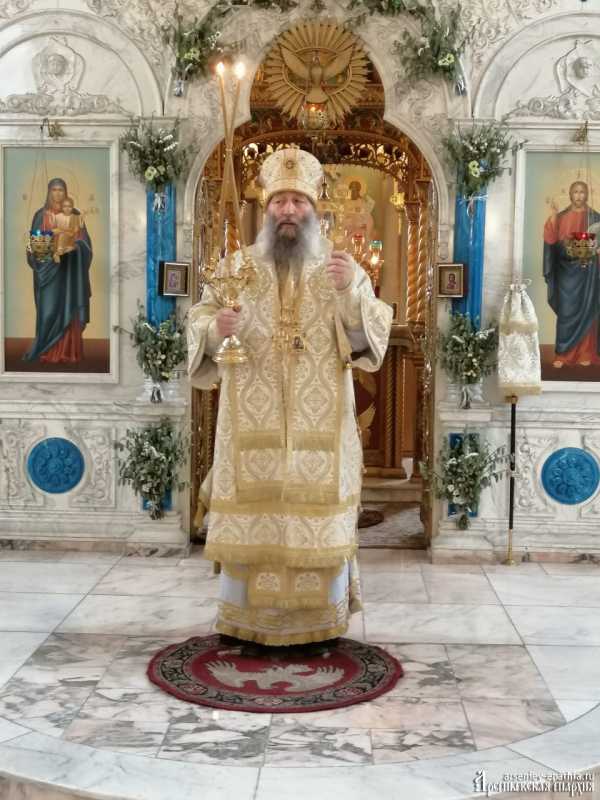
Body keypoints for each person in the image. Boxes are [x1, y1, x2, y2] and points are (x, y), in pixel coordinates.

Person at [188, 148, 393, 646]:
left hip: (320, 429)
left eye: (297, 201)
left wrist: (349, 293)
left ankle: (318, 624)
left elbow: (369, 343)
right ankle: (245, 622)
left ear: (313, 209)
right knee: (255, 512)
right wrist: (216, 328)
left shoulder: (342, 267)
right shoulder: (236, 267)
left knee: (316, 514)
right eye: (278, 200)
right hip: (250, 424)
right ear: (266, 208)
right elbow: (199, 321)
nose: (287, 210)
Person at [25, 178, 92, 364]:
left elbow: (85, 243)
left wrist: (76, 246)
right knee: (48, 313)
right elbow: (33, 248)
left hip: (70, 274)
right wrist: (50, 250)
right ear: (49, 192)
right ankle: (45, 351)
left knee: (70, 311)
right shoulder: (41, 215)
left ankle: (69, 352)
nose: (57, 193)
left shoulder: (75, 214)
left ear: (66, 192)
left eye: (61, 190)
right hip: (49, 274)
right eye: (54, 190)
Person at [543, 180, 600, 369]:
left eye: (582, 192)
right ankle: (563, 354)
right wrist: (552, 219)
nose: (579, 195)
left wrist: (596, 250)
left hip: (589, 274)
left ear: (587, 194)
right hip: (565, 273)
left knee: (588, 310)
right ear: (570, 194)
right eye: (575, 192)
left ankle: (586, 353)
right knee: (566, 313)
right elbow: (551, 242)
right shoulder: (560, 217)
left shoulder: (596, 218)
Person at [52, 196, 83, 263]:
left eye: (69, 206)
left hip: (71, 239)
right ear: (62, 207)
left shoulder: (75, 217)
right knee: (62, 235)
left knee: (70, 243)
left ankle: (60, 253)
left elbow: (76, 231)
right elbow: (53, 231)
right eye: (65, 206)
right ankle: (58, 252)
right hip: (59, 240)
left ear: (72, 207)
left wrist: (63, 231)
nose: (67, 208)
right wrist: (62, 231)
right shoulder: (57, 216)